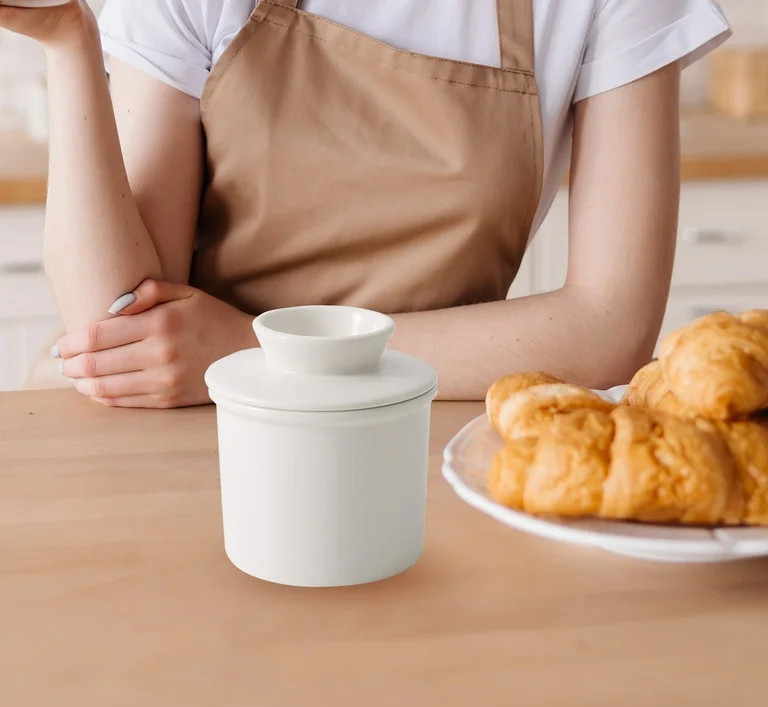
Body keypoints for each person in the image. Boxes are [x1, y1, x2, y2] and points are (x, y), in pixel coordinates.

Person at [0, 0, 730, 408]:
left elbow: (609, 328)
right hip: (186, 421)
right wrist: (69, 41)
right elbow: (121, 326)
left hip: (426, 429)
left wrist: (253, 348)